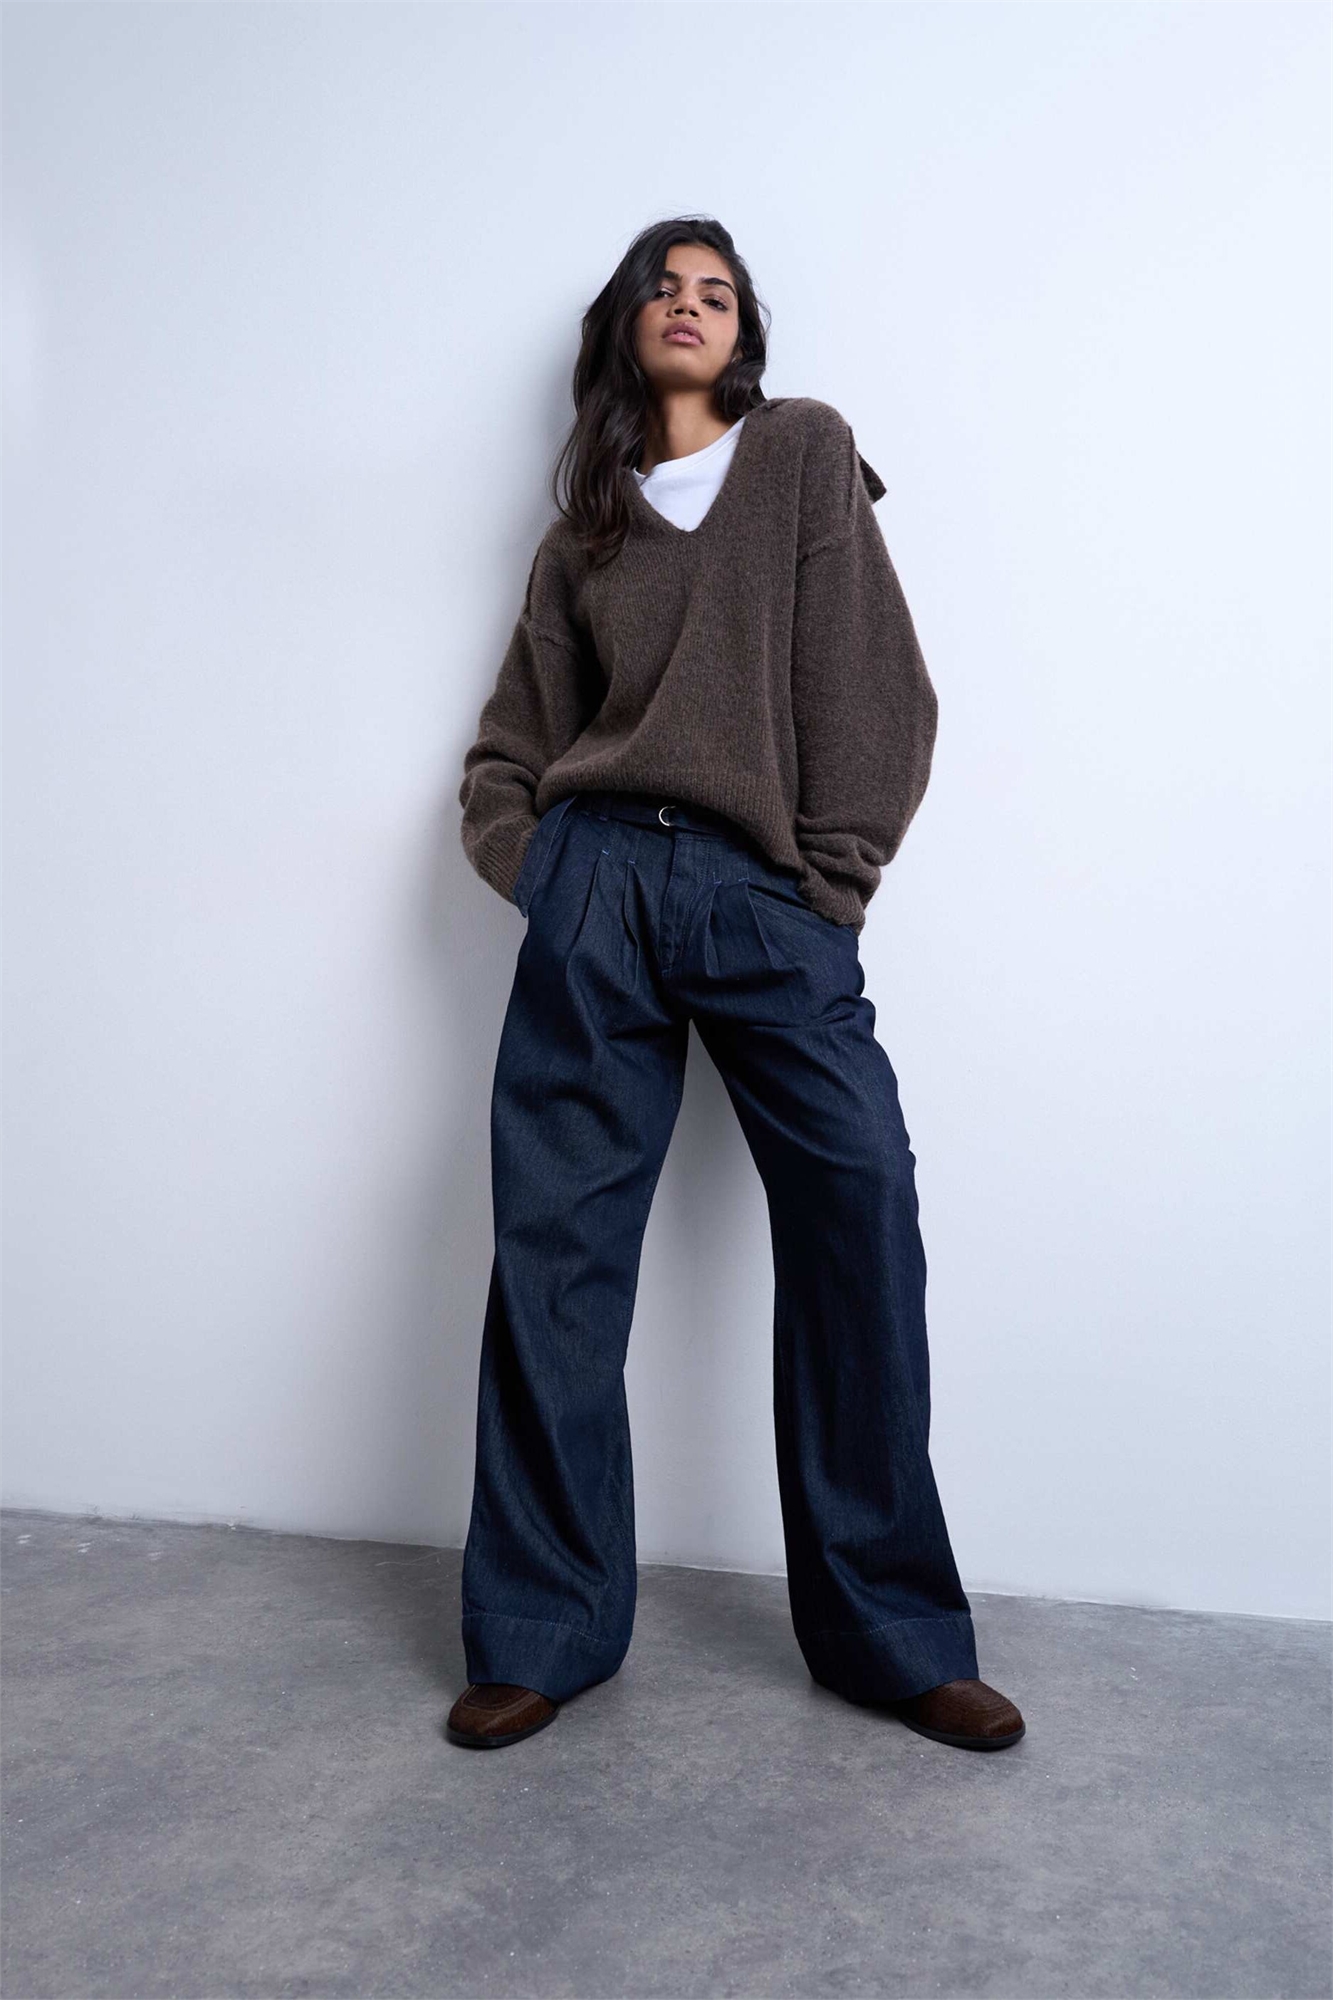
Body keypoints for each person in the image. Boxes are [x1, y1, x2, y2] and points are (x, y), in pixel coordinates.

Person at [448, 216, 1024, 1755]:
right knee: (556, 1254)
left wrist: (827, 888)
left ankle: (888, 1633)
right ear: (622, 327)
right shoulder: (582, 535)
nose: (688, 305)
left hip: (763, 898)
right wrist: (539, 869)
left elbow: (878, 687)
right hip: (595, 892)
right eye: (664, 287)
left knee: (858, 1211)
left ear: (742, 332)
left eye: (715, 291)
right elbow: (509, 747)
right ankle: (542, 1627)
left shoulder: (799, 456)